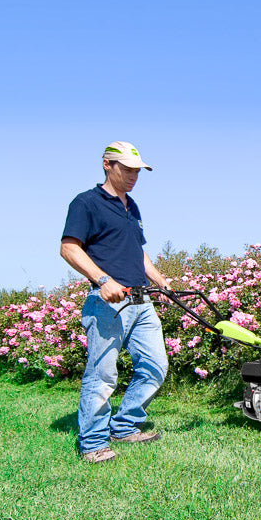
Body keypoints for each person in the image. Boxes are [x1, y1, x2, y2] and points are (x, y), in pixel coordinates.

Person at [60, 141, 171, 463]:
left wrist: (159, 278)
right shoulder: (86, 203)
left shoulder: (131, 206)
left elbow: (139, 250)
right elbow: (69, 248)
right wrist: (103, 280)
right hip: (108, 303)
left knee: (155, 366)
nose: (134, 176)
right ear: (107, 165)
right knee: (102, 374)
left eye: (137, 171)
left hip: (141, 300)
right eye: (128, 169)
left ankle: (125, 426)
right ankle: (93, 442)